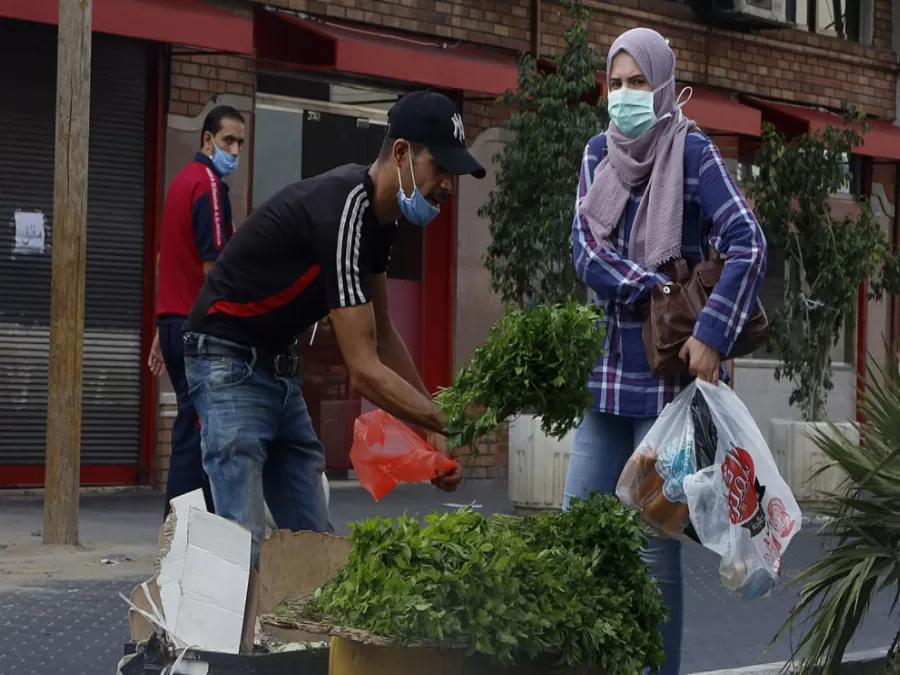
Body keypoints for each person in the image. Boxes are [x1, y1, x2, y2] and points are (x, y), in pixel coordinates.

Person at [183, 90, 484, 565]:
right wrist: (449, 421)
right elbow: (363, 369)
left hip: (277, 369)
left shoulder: (380, 222)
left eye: (454, 174)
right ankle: (228, 639)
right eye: (440, 167)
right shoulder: (345, 209)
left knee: (315, 546)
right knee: (243, 547)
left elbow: (382, 333)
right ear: (402, 153)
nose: (448, 184)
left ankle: (303, 639)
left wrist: (432, 427)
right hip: (227, 362)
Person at [566, 28, 766, 675]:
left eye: (637, 82)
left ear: (662, 85)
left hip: (667, 383)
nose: (625, 96)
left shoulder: (693, 150)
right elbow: (584, 248)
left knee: (653, 549)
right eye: (616, 83)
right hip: (608, 374)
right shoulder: (598, 154)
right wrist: (649, 284)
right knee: (581, 532)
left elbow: (748, 241)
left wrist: (711, 331)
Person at [147, 105, 246, 519]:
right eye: (228, 141)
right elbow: (213, 268)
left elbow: (166, 261)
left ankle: (187, 523)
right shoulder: (208, 185)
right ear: (207, 140)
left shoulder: (179, 183)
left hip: (173, 322)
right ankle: (182, 524)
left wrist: (160, 331)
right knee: (199, 427)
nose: (235, 151)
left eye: (240, 143)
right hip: (197, 327)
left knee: (194, 422)